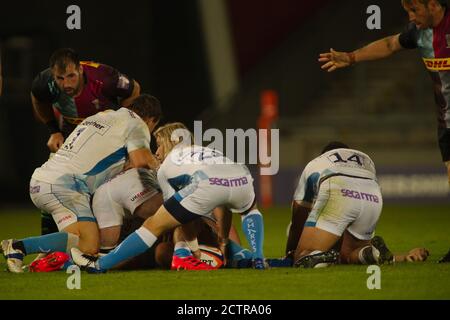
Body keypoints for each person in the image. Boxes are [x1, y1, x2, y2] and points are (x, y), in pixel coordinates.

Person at [319, 0, 450, 264]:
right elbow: (390, 44)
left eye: (415, 10)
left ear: (433, 4)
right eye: (408, 12)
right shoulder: (418, 33)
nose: (411, 17)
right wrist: (352, 57)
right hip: (446, 123)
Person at [71, 122, 266, 272]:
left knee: (153, 224)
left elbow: (182, 219)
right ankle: (257, 257)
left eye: (159, 146)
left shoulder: (167, 167)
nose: (156, 152)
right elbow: (224, 204)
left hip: (206, 186)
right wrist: (223, 241)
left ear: (169, 143)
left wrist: (192, 249)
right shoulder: (207, 151)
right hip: (240, 174)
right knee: (250, 210)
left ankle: (100, 264)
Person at [1, 94, 161, 273]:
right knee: (90, 246)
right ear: (151, 120)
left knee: (77, 244)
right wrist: (161, 165)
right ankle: (18, 247)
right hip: (65, 185)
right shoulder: (137, 124)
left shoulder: (103, 116)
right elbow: (141, 161)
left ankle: (41, 260)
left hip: (44, 180)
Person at [31, 48, 141, 237]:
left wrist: (122, 121)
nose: (66, 84)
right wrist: (53, 130)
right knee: (53, 183)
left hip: (105, 139)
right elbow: (38, 99)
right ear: (52, 75)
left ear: (81, 69)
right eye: (60, 78)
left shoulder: (105, 77)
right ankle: (48, 244)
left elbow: (135, 89)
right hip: (71, 138)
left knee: (108, 187)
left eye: (71, 76)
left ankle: (114, 237)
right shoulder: (44, 82)